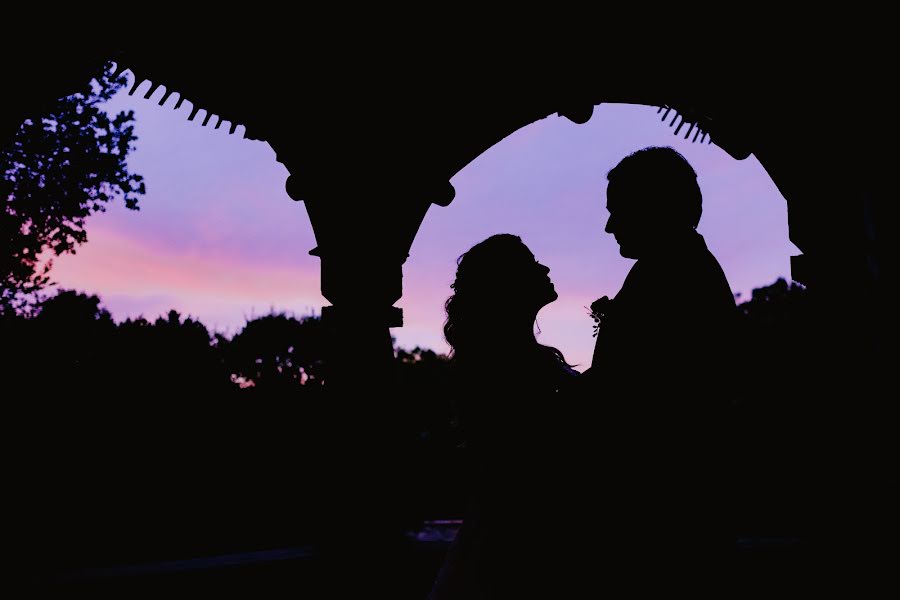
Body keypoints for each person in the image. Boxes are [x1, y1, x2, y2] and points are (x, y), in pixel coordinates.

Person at [584, 146, 738, 589]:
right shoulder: (676, 269)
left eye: (618, 210)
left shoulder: (673, 277)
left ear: (653, 207)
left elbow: (635, 396)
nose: (610, 225)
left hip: (664, 514)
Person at [429, 233, 577, 599]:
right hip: (519, 544)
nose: (543, 268)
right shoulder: (507, 371)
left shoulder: (521, 363)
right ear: (507, 287)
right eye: (531, 264)